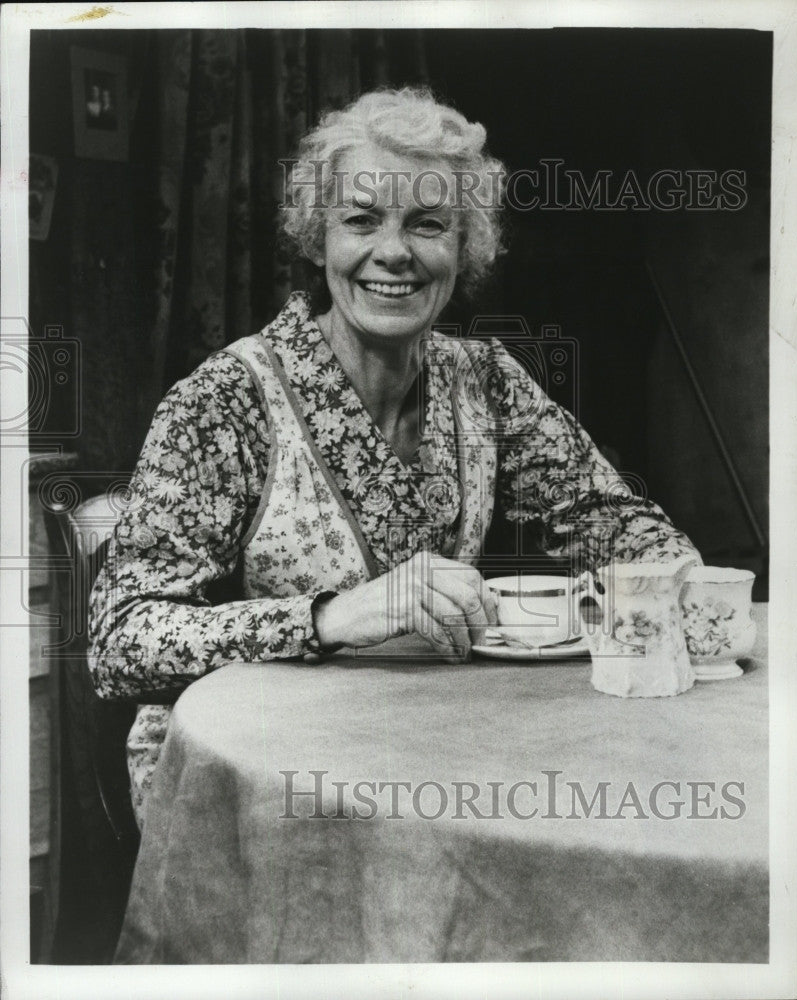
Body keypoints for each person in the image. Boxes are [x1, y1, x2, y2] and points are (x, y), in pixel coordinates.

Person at [88, 87, 699, 828]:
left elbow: (622, 532)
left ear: (464, 248)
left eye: (427, 224)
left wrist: (688, 590)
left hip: (427, 754)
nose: (393, 253)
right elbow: (122, 639)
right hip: (243, 779)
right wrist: (329, 617)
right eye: (361, 219)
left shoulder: (487, 381)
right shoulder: (225, 401)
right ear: (317, 240)